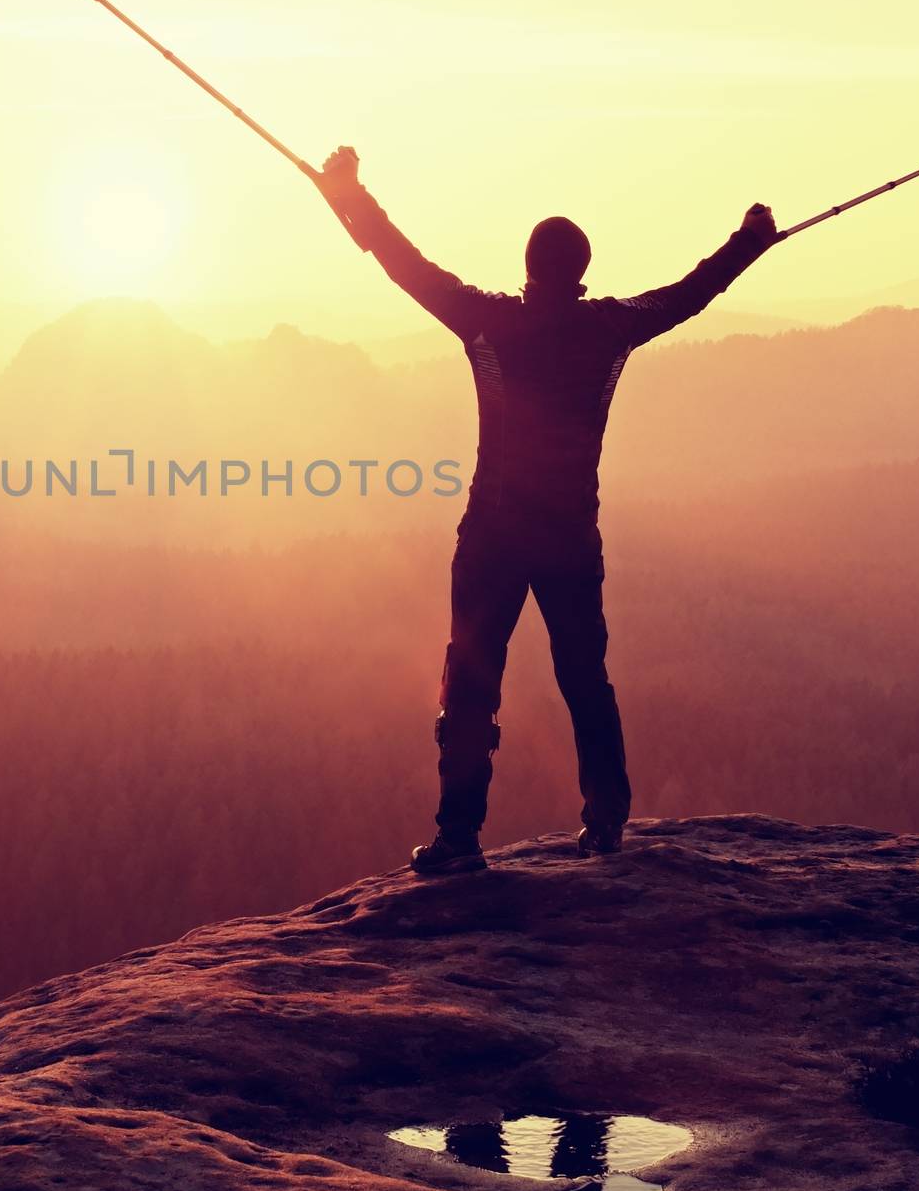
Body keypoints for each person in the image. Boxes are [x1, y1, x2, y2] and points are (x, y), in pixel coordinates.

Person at [314, 147, 780, 874]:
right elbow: (691, 292)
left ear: (529, 270)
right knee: (584, 679)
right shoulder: (611, 327)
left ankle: (458, 840)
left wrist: (348, 195)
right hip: (569, 538)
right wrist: (749, 240)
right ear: (582, 271)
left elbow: (404, 265)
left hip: (493, 537)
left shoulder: (487, 321)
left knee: (469, 684)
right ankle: (606, 824)